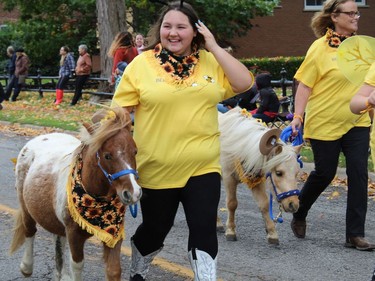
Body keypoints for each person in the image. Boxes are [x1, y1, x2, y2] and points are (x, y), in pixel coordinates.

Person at [111, 1, 253, 280]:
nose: (173, 33)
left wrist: (213, 46)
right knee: (155, 230)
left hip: (203, 166)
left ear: (195, 32)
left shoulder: (211, 61)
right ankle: (138, 269)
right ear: (159, 30)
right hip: (157, 167)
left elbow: (244, 82)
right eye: (167, 26)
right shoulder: (141, 65)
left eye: (181, 27)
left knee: (203, 229)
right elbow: (118, 114)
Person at [289, 0, 375, 251]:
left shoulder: (363, 48)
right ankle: (300, 211)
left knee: (358, 174)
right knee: (324, 173)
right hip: (324, 121)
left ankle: (355, 234)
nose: (356, 16)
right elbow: (304, 85)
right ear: (334, 17)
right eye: (350, 13)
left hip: (357, 120)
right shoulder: (319, 49)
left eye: (357, 12)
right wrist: (297, 116)